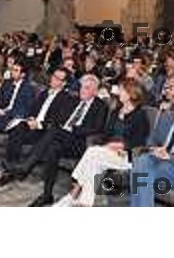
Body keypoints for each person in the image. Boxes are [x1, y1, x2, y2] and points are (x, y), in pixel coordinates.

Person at [9, 74, 108, 207]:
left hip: (79, 142)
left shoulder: (100, 106)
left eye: (87, 88)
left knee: (55, 132)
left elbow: (97, 128)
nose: (82, 91)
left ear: (95, 91)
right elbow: (59, 118)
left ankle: (26, 166)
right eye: (82, 87)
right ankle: (47, 194)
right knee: (52, 149)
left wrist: (73, 129)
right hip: (61, 138)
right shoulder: (73, 100)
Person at [54, 79, 150, 207]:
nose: (118, 93)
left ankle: (74, 193)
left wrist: (121, 146)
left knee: (92, 152)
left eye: (121, 90)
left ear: (130, 94)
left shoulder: (140, 115)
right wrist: (105, 145)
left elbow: (140, 141)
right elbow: (106, 134)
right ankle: (85, 203)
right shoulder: (116, 111)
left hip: (126, 156)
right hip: (107, 152)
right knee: (94, 163)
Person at [0, 67, 76, 186]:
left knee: (30, 130)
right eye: (53, 76)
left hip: (45, 131)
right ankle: (10, 168)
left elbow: (59, 121)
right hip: (32, 125)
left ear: (63, 83)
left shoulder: (67, 98)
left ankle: (17, 170)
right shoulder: (44, 93)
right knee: (18, 127)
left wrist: (40, 124)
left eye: (58, 78)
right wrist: (31, 118)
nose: (53, 79)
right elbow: (33, 109)